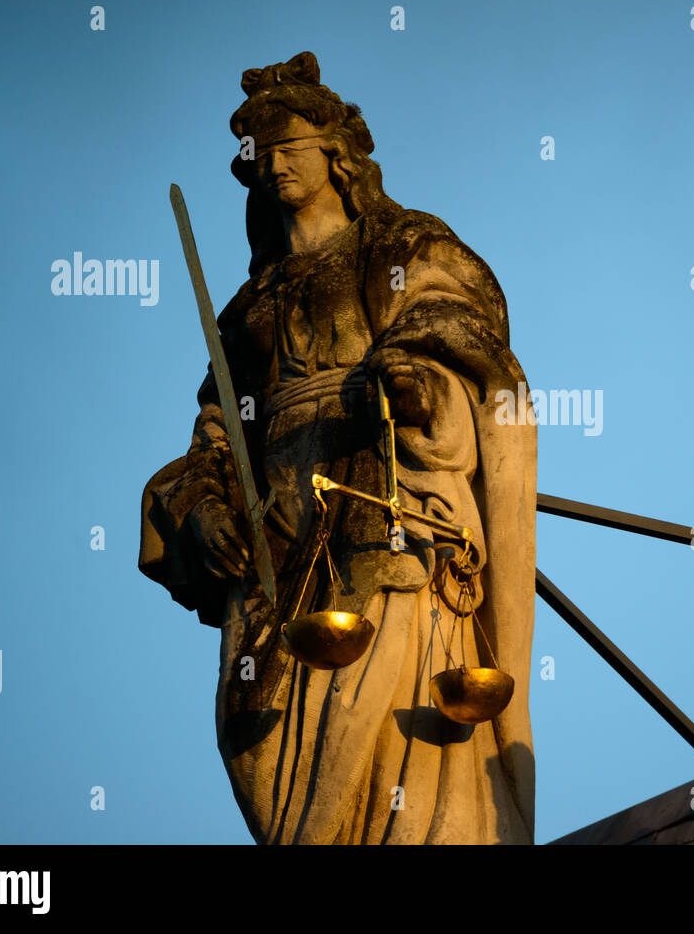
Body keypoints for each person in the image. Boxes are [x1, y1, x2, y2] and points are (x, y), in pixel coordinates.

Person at [138, 52, 536, 844]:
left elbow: (464, 329)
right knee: (273, 731)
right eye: (261, 155)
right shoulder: (252, 304)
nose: (274, 165)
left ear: (335, 151)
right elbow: (218, 428)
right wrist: (206, 502)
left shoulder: (401, 248)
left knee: (395, 733)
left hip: (383, 503)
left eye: (289, 146)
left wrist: (418, 381)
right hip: (278, 539)